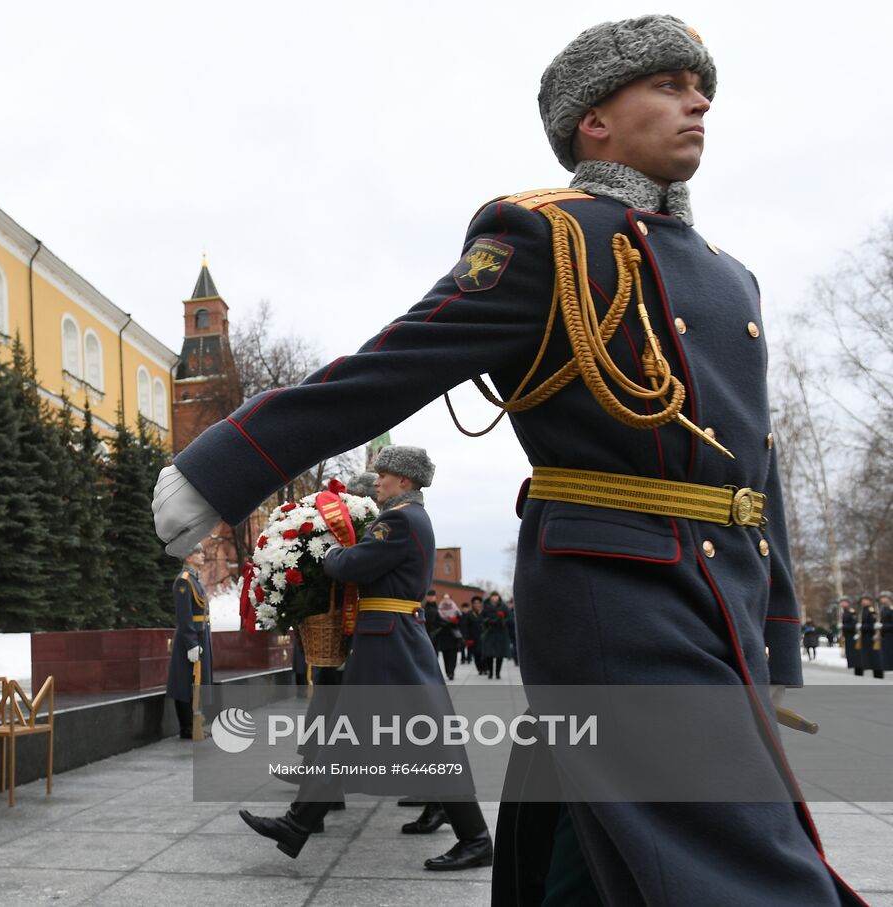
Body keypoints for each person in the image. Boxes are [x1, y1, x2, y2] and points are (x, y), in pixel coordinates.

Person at [153, 15, 863, 904]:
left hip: (725, 597)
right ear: (592, 120)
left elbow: (753, 470)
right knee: (737, 857)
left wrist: (779, 635)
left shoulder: (732, 275)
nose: (700, 101)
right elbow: (397, 361)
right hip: (618, 591)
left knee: (582, 852)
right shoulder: (547, 237)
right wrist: (226, 465)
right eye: (670, 85)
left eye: (701, 86)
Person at [234, 446, 494, 871]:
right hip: (392, 640)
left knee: (387, 738)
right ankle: (298, 825)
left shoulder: (399, 519)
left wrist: (331, 552)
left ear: (404, 481)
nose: (377, 482)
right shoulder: (411, 518)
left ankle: (476, 838)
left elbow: (350, 565)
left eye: (384, 475)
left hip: (389, 643)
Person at [166, 543, 214, 738]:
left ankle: (195, 723)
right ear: (188, 557)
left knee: (198, 681)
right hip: (191, 638)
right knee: (185, 682)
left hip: (201, 636)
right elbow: (184, 616)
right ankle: (186, 727)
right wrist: (191, 643)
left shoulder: (195, 581)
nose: (202, 555)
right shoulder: (184, 581)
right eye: (198, 552)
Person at [428, 589, 465, 681]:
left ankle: (451, 672)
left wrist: (456, 621)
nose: (446, 600)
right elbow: (435, 622)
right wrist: (444, 623)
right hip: (443, 635)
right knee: (445, 655)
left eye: (448, 598)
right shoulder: (439, 609)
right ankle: (448, 671)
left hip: (453, 635)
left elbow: (461, 621)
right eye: (444, 598)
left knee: (453, 655)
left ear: (451, 599)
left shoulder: (455, 609)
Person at [480, 591, 512, 679]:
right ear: (490, 597)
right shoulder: (486, 607)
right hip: (489, 632)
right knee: (489, 654)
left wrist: (503, 620)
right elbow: (481, 618)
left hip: (500, 633)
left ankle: (498, 673)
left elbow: (510, 618)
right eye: (493, 596)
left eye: (496, 596)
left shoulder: (503, 606)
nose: (495, 598)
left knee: (499, 654)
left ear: (498, 597)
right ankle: (490, 672)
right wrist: (487, 621)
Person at [855, 595, 882, 680]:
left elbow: (872, 625)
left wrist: (862, 627)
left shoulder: (871, 611)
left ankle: (877, 674)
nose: (863, 602)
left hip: (870, 637)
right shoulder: (863, 610)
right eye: (863, 600)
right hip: (864, 637)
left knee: (874, 656)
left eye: (866, 600)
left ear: (870, 601)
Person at [465, 596, 485, 675]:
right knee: (476, 654)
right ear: (472, 605)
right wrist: (467, 638)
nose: (477, 605)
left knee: (484, 653)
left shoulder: (484, 613)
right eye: (475, 603)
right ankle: (479, 668)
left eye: (478, 603)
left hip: (484, 637)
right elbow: (466, 627)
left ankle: (485, 668)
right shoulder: (469, 614)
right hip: (474, 638)